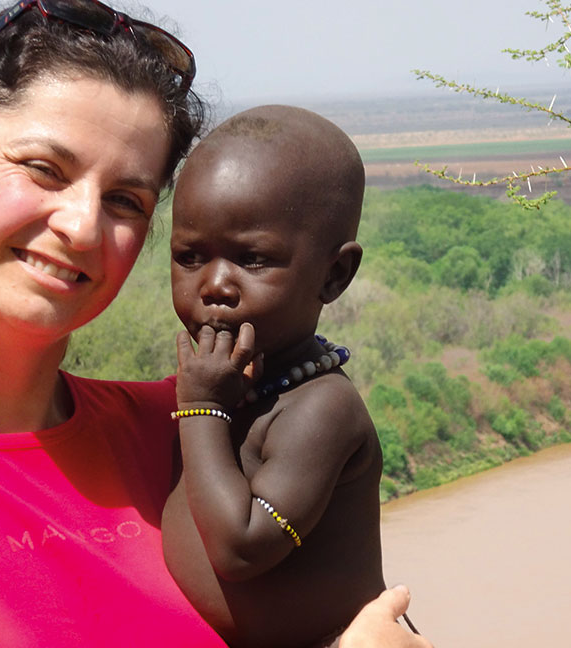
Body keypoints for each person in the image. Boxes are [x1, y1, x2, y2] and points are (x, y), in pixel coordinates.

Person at [0, 2, 435, 645]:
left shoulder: (189, 421)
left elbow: (350, 596)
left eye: (125, 200)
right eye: (44, 168)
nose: (80, 226)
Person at [161, 105, 389, 647]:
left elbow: (242, 548)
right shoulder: (238, 386)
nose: (215, 284)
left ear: (334, 274)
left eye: (253, 259)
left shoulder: (321, 408)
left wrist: (200, 410)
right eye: (190, 256)